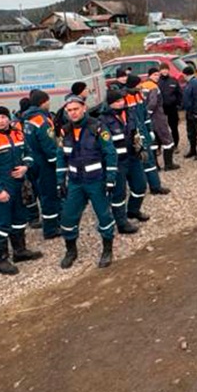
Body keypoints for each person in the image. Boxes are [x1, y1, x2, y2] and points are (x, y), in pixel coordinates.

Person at [55, 94, 120, 269]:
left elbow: (110, 153)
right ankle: (71, 251)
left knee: (104, 216)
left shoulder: (98, 128)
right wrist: (60, 181)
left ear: (84, 108)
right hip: (76, 182)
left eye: (76, 109)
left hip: (96, 181)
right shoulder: (65, 130)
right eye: (69, 110)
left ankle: (107, 250)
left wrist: (111, 179)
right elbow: (61, 157)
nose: (73, 113)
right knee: (68, 218)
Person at [0, 106, 43, 274]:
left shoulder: (18, 134)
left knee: (20, 219)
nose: (1, 120)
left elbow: (29, 154)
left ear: (9, 118)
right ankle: (0, 260)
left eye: (4, 117)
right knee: (1, 223)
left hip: (19, 185)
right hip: (2, 187)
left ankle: (19, 251)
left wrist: (25, 167)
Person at [99, 88, 146, 234]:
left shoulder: (129, 113)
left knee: (140, 186)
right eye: (117, 101)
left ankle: (133, 210)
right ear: (110, 103)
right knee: (119, 193)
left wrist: (141, 148)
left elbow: (137, 131)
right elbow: (105, 145)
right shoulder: (103, 120)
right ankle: (121, 222)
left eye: (122, 100)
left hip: (133, 157)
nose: (121, 103)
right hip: (117, 162)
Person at [21, 90, 63, 238]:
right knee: (49, 195)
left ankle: (53, 222)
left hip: (33, 162)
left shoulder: (26, 118)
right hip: (45, 164)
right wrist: (56, 163)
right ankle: (51, 229)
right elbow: (48, 145)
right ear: (43, 102)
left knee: (41, 193)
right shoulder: (42, 121)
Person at [141, 69, 179, 172]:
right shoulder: (153, 87)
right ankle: (168, 164)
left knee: (153, 141)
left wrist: (145, 116)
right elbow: (153, 103)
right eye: (155, 75)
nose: (157, 77)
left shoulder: (143, 86)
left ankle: (156, 166)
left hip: (149, 120)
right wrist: (148, 113)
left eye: (158, 75)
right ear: (149, 75)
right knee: (167, 140)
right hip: (157, 117)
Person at [158, 64, 184, 165]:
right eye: (162, 70)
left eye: (166, 70)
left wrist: (179, 105)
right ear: (160, 71)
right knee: (160, 128)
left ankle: (175, 145)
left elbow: (179, 94)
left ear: (168, 70)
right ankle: (159, 146)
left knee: (174, 127)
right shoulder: (157, 82)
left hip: (172, 108)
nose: (164, 71)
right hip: (161, 109)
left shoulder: (173, 80)